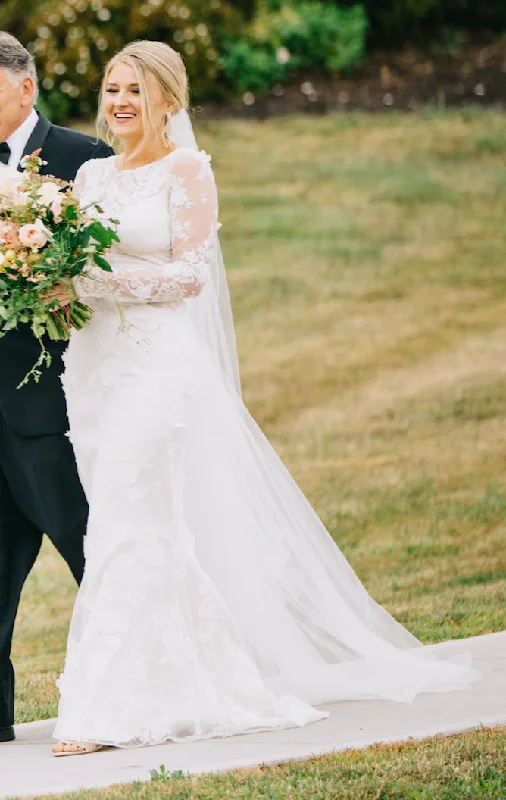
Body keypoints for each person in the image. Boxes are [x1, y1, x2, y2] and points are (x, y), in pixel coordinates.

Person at [52, 40, 478, 757]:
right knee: (139, 526)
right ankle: (185, 682)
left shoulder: (187, 170)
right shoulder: (90, 174)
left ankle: (102, 711)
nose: (119, 101)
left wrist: (89, 286)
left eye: (136, 90)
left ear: (168, 100)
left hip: (156, 369)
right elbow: (69, 259)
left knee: (124, 523)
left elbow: (188, 276)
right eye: (113, 87)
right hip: (94, 371)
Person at [0, 32, 113, 744]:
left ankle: (143, 690)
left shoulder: (86, 160)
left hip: (54, 408)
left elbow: (108, 279)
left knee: (94, 553)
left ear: (24, 86)